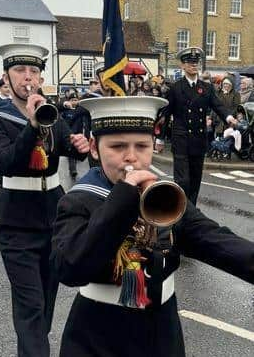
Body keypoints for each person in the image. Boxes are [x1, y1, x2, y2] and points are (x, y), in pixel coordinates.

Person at [51, 95, 254, 357]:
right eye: (117, 146)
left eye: (142, 146)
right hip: (99, 334)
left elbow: (214, 240)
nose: (131, 158)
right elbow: (69, 267)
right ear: (93, 147)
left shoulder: (165, 194)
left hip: (162, 330)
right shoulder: (79, 200)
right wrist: (123, 198)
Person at [0, 43, 89, 357]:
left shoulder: (50, 112)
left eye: (34, 71)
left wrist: (82, 143)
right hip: (16, 224)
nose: (27, 78)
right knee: (30, 307)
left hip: (53, 219)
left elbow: (69, 145)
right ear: (7, 77)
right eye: (19, 71)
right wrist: (32, 126)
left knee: (43, 308)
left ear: (41, 78)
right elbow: (6, 162)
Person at [158, 47, 237, 205]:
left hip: (198, 140)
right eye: (189, 62)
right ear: (182, 66)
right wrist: (159, 139)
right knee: (183, 181)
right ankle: (180, 212)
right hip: (181, 139)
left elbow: (217, 105)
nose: (194, 65)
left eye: (196, 62)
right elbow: (165, 114)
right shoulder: (176, 87)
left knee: (195, 181)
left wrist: (228, 117)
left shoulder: (206, 88)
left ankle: (191, 214)